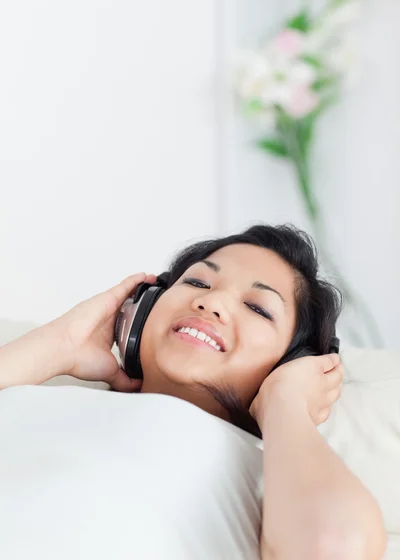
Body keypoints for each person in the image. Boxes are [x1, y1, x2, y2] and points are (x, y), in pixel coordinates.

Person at [0, 224, 386, 560]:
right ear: (144, 306)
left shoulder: (266, 472)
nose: (210, 301)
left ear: (291, 363)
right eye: (198, 282)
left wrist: (286, 402)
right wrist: (57, 342)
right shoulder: (41, 386)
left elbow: (334, 546)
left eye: (257, 308)